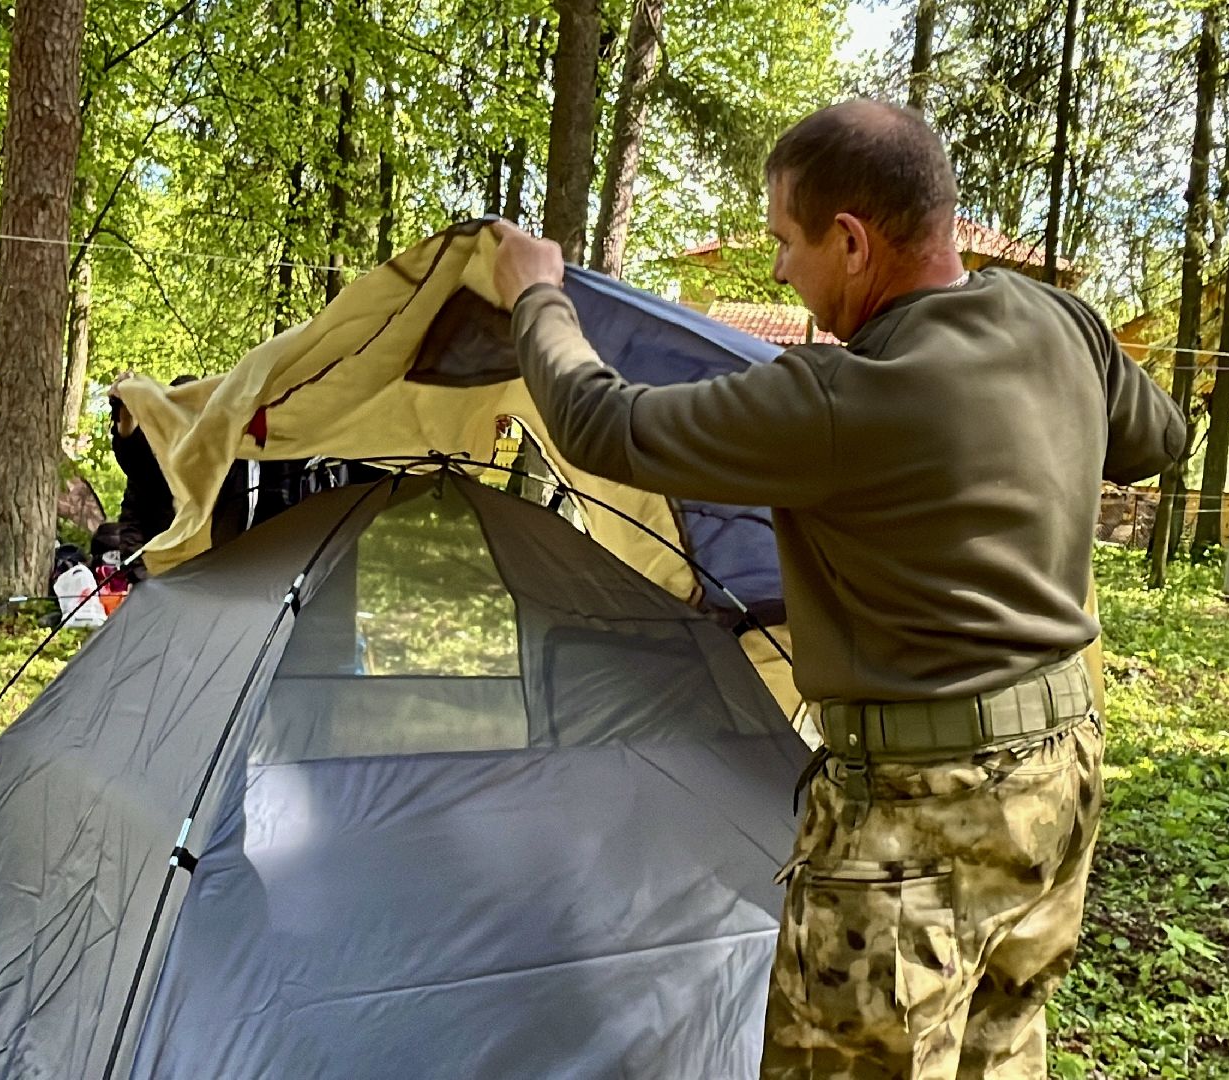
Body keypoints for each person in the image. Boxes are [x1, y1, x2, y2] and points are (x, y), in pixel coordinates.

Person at [488, 99, 1185, 1078]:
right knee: (1001, 1051)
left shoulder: (834, 400)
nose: (778, 269)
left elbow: (601, 425)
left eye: (785, 241)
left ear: (852, 242)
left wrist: (537, 296)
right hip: (1057, 786)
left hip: (916, 819)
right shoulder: (1059, 323)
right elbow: (1159, 440)